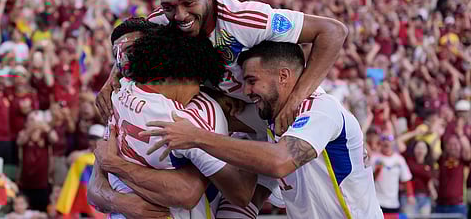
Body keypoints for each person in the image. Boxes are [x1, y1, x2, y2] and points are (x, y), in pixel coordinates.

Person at [95, 0, 348, 212]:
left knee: (313, 199)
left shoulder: (246, 20)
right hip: (240, 118)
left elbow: (333, 31)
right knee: (244, 201)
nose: (179, 15)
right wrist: (111, 79)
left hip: (278, 112)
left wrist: (295, 99)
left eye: (188, 2)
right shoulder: (161, 21)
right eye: (169, 6)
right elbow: (132, 44)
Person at [142, 41, 383, 219]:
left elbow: (279, 161)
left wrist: (196, 137)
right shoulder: (269, 118)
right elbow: (222, 114)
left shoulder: (321, 110)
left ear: (283, 76)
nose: (246, 91)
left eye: (252, 80)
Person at [88, 18, 258, 219]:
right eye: (119, 55)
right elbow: (95, 188)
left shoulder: (197, 113)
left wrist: (116, 166)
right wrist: (119, 202)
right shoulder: (119, 93)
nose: (126, 62)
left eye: (135, 52)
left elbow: (187, 193)